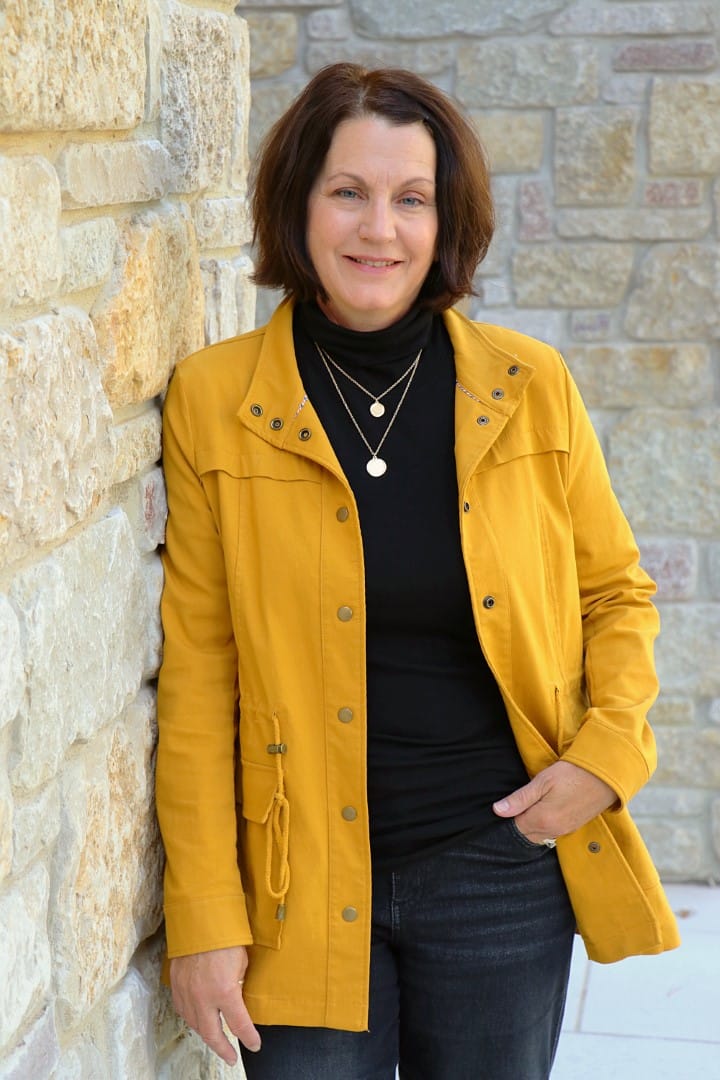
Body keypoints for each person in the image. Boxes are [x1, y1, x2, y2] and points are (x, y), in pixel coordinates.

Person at [156, 63, 680, 1080]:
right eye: (348, 191)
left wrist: (608, 756)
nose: (378, 229)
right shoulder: (214, 399)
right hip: (296, 883)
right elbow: (199, 675)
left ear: (447, 223)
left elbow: (616, 593)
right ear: (297, 202)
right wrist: (205, 912)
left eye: (411, 199)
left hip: (500, 872)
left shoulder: (531, 386)